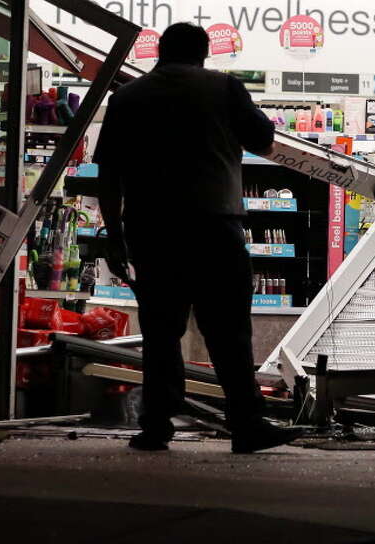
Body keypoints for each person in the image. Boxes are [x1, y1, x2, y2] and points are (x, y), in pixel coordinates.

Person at [95, 23, 303, 453]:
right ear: (204, 54)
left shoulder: (128, 98)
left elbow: (109, 174)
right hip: (214, 228)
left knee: (160, 331)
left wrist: (114, 236)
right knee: (229, 332)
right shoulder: (224, 88)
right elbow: (263, 139)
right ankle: (246, 425)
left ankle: (156, 427)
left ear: (160, 53)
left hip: (152, 231)